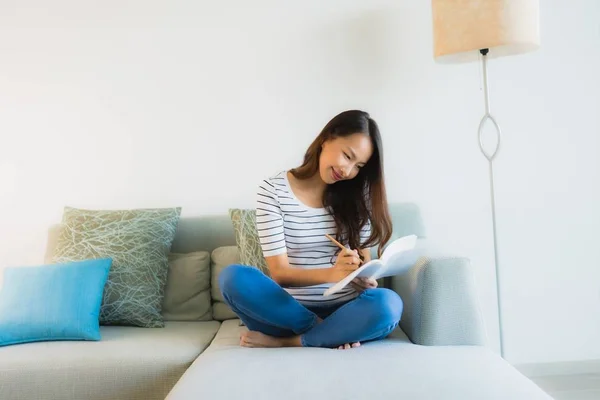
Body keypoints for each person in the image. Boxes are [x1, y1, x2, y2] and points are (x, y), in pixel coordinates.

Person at [219, 110, 403, 350]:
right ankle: (326, 333)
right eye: (347, 156)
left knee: (388, 303)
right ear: (326, 138)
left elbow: (364, 258)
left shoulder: (357, 195)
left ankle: (290, 342)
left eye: (358, 166)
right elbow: (280, 273)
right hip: (287, 313)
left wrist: (360, 275)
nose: (348, 171)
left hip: (344, 309)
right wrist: (332, 273)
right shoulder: (273, 190)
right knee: (233, 277)